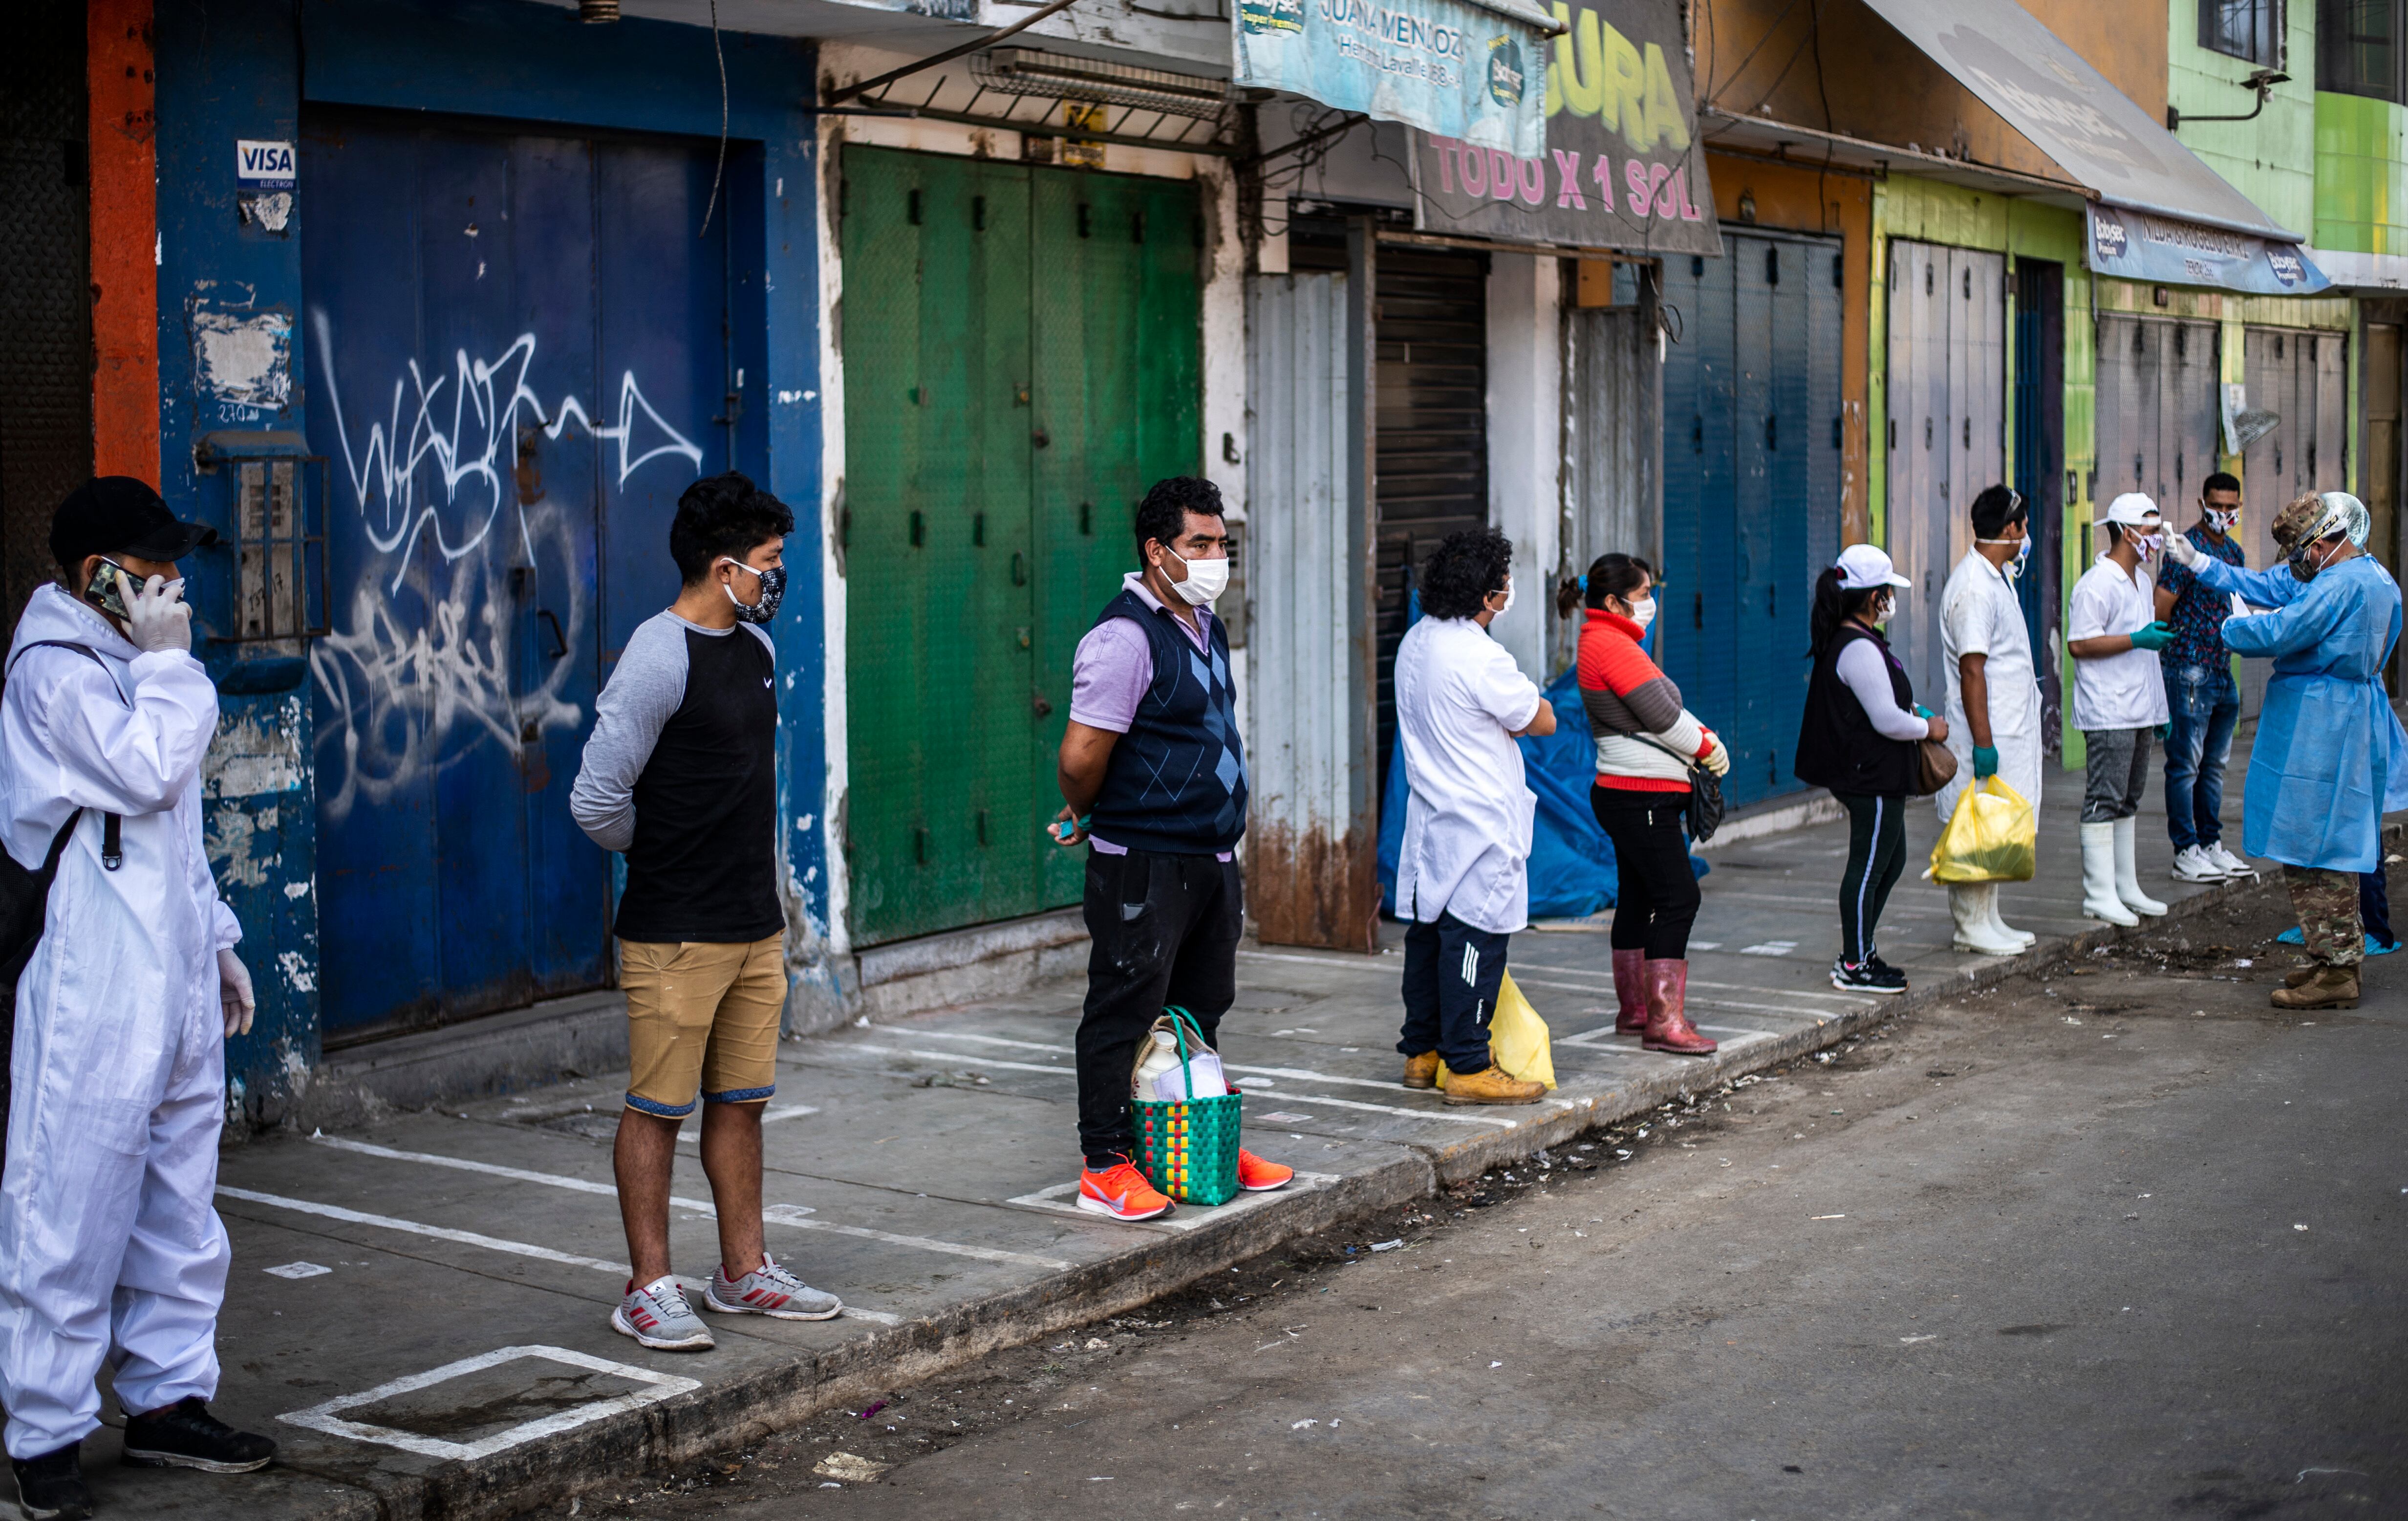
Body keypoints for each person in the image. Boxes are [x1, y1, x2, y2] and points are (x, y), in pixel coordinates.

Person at [0, 478, 278, 1521]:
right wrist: (170, 665)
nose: (172, 583)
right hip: (95, 980)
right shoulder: (56, 671)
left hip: (172, 974)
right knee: (67, 1207)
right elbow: (151, 770)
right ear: (96, 574)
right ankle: (45, 1433)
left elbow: (176, 833)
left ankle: (167, 1401)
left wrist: (218, 941)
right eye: (152, 566)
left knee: (178, 1207)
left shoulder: (138, 663)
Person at [570, 472, 841, 1352]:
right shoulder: (658, 656)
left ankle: (743, 1271)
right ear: (725, 569)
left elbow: (744, 785)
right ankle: (648, 1287)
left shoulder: (754, 650)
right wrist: (662, 851)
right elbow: (595, 801)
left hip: (753, 925)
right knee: (658, 1107)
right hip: (675, 930)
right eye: (770, 561)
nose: (777, 577)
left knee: (742, 1103)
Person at [1051, 477, 1292, 1220]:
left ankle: (1193, 1143)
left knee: (1197, 1013)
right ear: (1157, 552)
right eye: (1200, 543)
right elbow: (1081, 755)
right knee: (1125, 1009)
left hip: (1211, 857)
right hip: (1145, 861)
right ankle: (1104, 1163)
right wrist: (1088, 810)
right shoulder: (1124, 639)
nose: (1217, 557)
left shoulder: (1204, 622)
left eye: (1222, 543)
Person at [2163, 490, 2408, 1009]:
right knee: (2328, 843)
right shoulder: (2373, 577)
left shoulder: (2337, 584)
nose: (2300, 563)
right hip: (2345, 715)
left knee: (2315, 847)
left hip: (2323, 725)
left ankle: (2337, 970)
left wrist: (2230, 627)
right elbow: (2273, 590)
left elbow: (2283, 629)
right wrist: (2201, 563)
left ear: (2321, 543)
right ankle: (2330, 958)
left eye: (2302, 552)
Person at [1391, 530, 1555, 1105]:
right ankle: (1467, 1064)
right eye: (1504, 583)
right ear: (1488, 595)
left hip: (1432, 818)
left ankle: (1421, 1052)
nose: (1508, 590)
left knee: (1428, 936)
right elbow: (1539, 719)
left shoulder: (1415, 640)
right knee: (1473, 943)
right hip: (1480, 823)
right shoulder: (1480, 655)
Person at [1570, 553, 1729, 1055]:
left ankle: (1637, 1010)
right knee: (1679, 898)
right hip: (1638, 795)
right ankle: (1663, 1022)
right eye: (1643, 595)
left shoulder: (1609, 640)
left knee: (1639, 898)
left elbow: (1664, 711)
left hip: (1629, 792)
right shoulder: (1610, 644)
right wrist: (1706, 747)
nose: (1651, 603)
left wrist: (1702, 735)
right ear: (1614, 601)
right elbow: (1662, 716)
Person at [1794, 545, 1947, 994]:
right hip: (1870, 776)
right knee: (1868, 867)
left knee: (1890, 861)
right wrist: (1930, 727)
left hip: (1874, 773)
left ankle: (1860, 950)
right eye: (1887, 592)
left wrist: (1914, 711)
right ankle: (1855, 964)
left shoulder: (1856, 639)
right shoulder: (1857, 646)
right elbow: (1886, 720)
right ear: (1873, 596)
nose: (1891, 600)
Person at [1936, 485, 2043, 955]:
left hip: (2009, 727)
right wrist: (1983, 743)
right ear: (2009, 529)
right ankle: (1969, 926)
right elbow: (1972, 670)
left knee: (1996, 828)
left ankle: (1988, 918)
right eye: (2024, 526)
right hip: (1985, 733)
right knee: (1976, 828)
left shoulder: (1997, 578)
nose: (2027, 534)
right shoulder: (1974, 589)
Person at [2067, 493, 2174, 927]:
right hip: (2109, 710)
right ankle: (2098, 894)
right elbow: (2079, 644)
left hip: (2140, 708)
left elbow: (2147, 657)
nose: (2156, 541)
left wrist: (2160, 710)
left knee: (2129, 799)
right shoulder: (2096, 584)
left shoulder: (2142, 583)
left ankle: (2125, 887)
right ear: (2127, 533)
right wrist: (2136, 639)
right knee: (2105, 798)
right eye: (2151, 532)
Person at [2151, 472, 2251, 883]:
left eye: (2231, 507)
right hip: (2188, 670)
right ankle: (2185, 850)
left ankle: (2210, 843)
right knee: (2184, 765)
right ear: (2202, 504)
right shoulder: (2183, 549)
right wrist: (2173, 653)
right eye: (2217, 506)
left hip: (2223, 670)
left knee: (2214, 766)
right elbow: (2162, 606)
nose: (2223, 514)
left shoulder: (2234, 552)